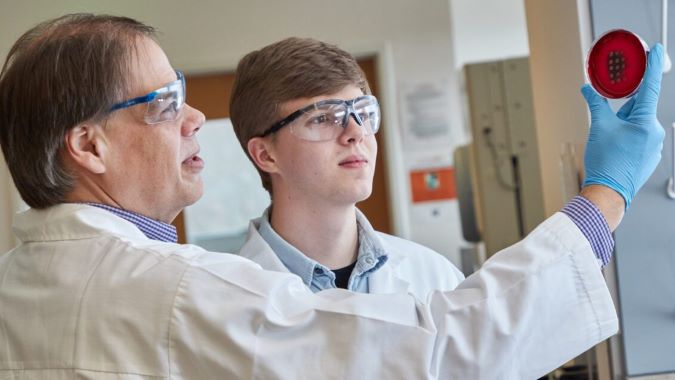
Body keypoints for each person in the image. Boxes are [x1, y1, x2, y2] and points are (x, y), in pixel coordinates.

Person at [0, 13, 664, 379]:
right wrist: (606, 193)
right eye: (164, 102)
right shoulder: (179, 292)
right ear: (87, 147)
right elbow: (449, 351)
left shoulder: (17, 285)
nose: (194, 117)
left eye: (362, 112)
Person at [229, 37, 464, 298]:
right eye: (322, 118)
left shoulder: (437, 278)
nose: (356, 132)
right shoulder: (230, 301)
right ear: (266, 155)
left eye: (362, 114)